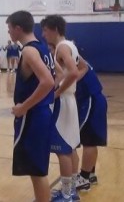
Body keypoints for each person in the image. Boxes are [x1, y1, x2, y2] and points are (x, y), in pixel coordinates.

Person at [6, 10, 55, 202]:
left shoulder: (29, 50)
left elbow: (48, 82)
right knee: (36, 167)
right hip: (41, 114)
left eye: (9, 28)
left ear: (18, 28)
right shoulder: (42, 48)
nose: (8, 32)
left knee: (37, 169)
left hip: (34, 116)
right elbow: (54, 79)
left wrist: (24, 106)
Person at [41, 15, 80, 202]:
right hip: (70, 100)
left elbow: (72, 72)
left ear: (54, 29)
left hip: (64, 101)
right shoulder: (70, 45)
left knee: (62, 149)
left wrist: (57, 93)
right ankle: (72, 190)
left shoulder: (63, 47)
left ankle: (66, 195)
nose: (43, 34)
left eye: (45, 30)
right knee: (70, 146)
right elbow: (75, 71)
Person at [74, 57, 107, 191]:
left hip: (90, 101)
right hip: (94, 100)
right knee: (90, 140)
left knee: (89, 141)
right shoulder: (80, 62)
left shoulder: (74, 63)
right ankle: (90, 175)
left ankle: (84, 179)